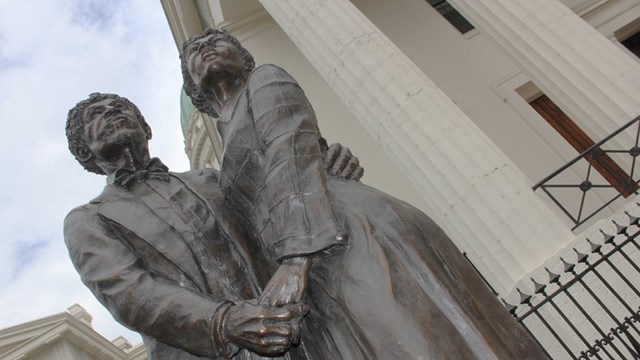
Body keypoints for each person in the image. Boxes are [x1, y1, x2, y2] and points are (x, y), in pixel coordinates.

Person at [181, 28, 549, 359]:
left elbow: (289, 151)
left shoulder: (264, 80)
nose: (209, 47)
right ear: (192, 87)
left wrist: (296, 259)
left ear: (242, 56)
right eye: (196, 50)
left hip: (343, 234)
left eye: (218, 41)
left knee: (415, 338)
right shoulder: (226, 140)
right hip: (311, 256)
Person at [63, 92, 362, 359]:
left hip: (298, 332)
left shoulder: (209, 179)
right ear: (84, 152)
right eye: (96, 114)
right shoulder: (88, 219)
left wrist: (320, 169)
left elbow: (277, 205)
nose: (112, 111)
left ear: (147, 129)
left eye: (119, 106)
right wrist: (223, 322)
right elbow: (130, 293)